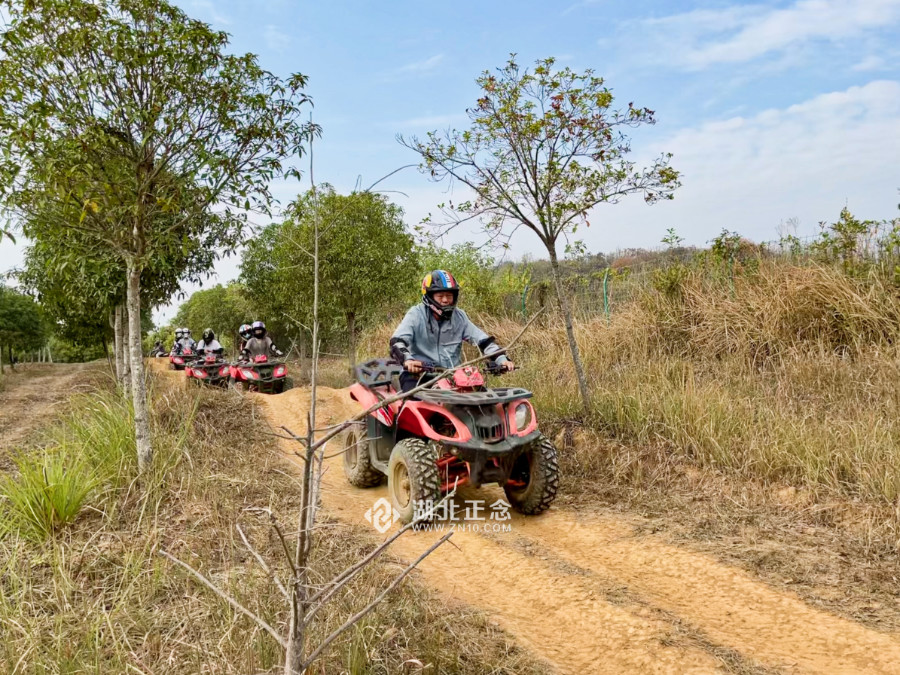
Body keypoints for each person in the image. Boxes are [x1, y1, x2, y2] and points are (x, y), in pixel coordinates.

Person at [390, 270, 514, 392]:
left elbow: (483, 341)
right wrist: (408, 360)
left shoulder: (459, 317)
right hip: (418, 375)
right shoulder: (416, 314)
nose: (445, 300)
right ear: (429, 296)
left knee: (483, 402)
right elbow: (397, 341)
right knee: (416, 403)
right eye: (440, 296)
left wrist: (501, 359)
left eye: (449, 295)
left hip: (452, 376)